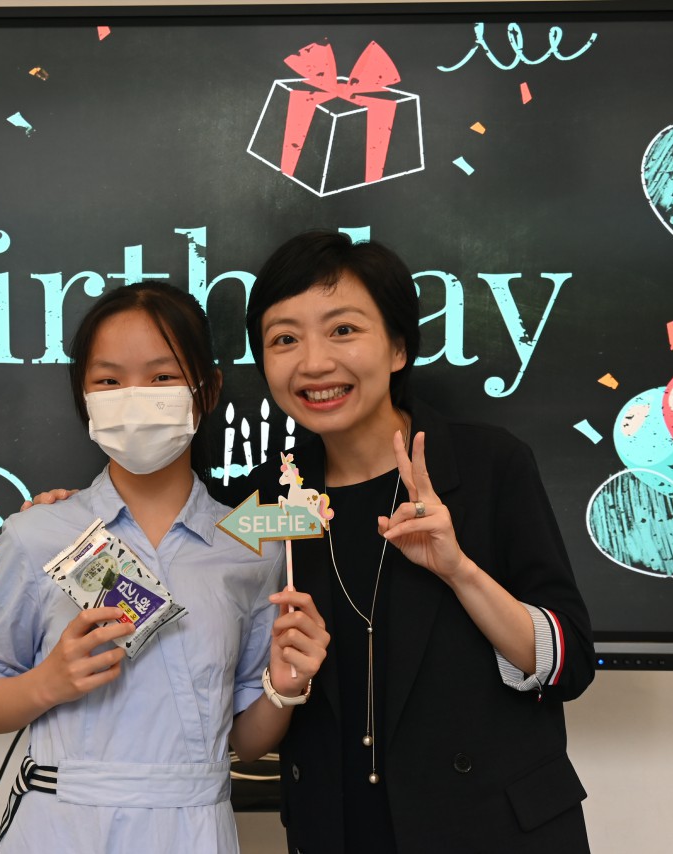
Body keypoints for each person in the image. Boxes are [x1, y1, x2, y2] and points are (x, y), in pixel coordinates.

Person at [235, 230, 594, 853]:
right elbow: (180, 530)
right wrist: (70, 508)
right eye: (284, 339)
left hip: (490, 832)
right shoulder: (272, 495)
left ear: (398, 347)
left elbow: (570, 663)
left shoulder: (488, 465)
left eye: (343, 330)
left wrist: (460, 571)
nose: (314, 363)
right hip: (339, 831)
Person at [0, 281, 329, 854]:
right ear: (84, 396)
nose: (134, 398)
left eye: (162, 377)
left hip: (196, 826)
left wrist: (285, 687)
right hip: (64, 826)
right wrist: (48, 681)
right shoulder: (38, 534)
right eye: (109, 381)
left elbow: (246, 743)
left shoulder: (251, 547)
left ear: (207, 389)